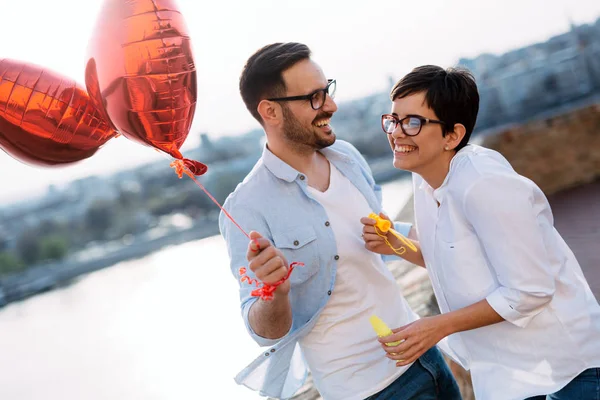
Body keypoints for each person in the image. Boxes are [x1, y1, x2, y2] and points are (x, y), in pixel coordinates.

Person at [219, 43, 462, 400]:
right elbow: (262, 330)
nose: (330, 105)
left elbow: (387, 236)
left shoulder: (346, 156)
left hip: (427, 358)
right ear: (270, 111)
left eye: (327, 91)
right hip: (368, 391)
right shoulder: (245, 207)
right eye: (314, 98)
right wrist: (274, 291)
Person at [361, 65, 600, 400]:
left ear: (452, 136)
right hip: (511, 373)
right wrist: (396, 244)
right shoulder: (426, 176)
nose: (396, 132)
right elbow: (452, 256)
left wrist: (437, 327)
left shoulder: (483, 183)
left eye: (412, 122)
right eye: (393, 119)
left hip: (572, 370)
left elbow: (530, 290)